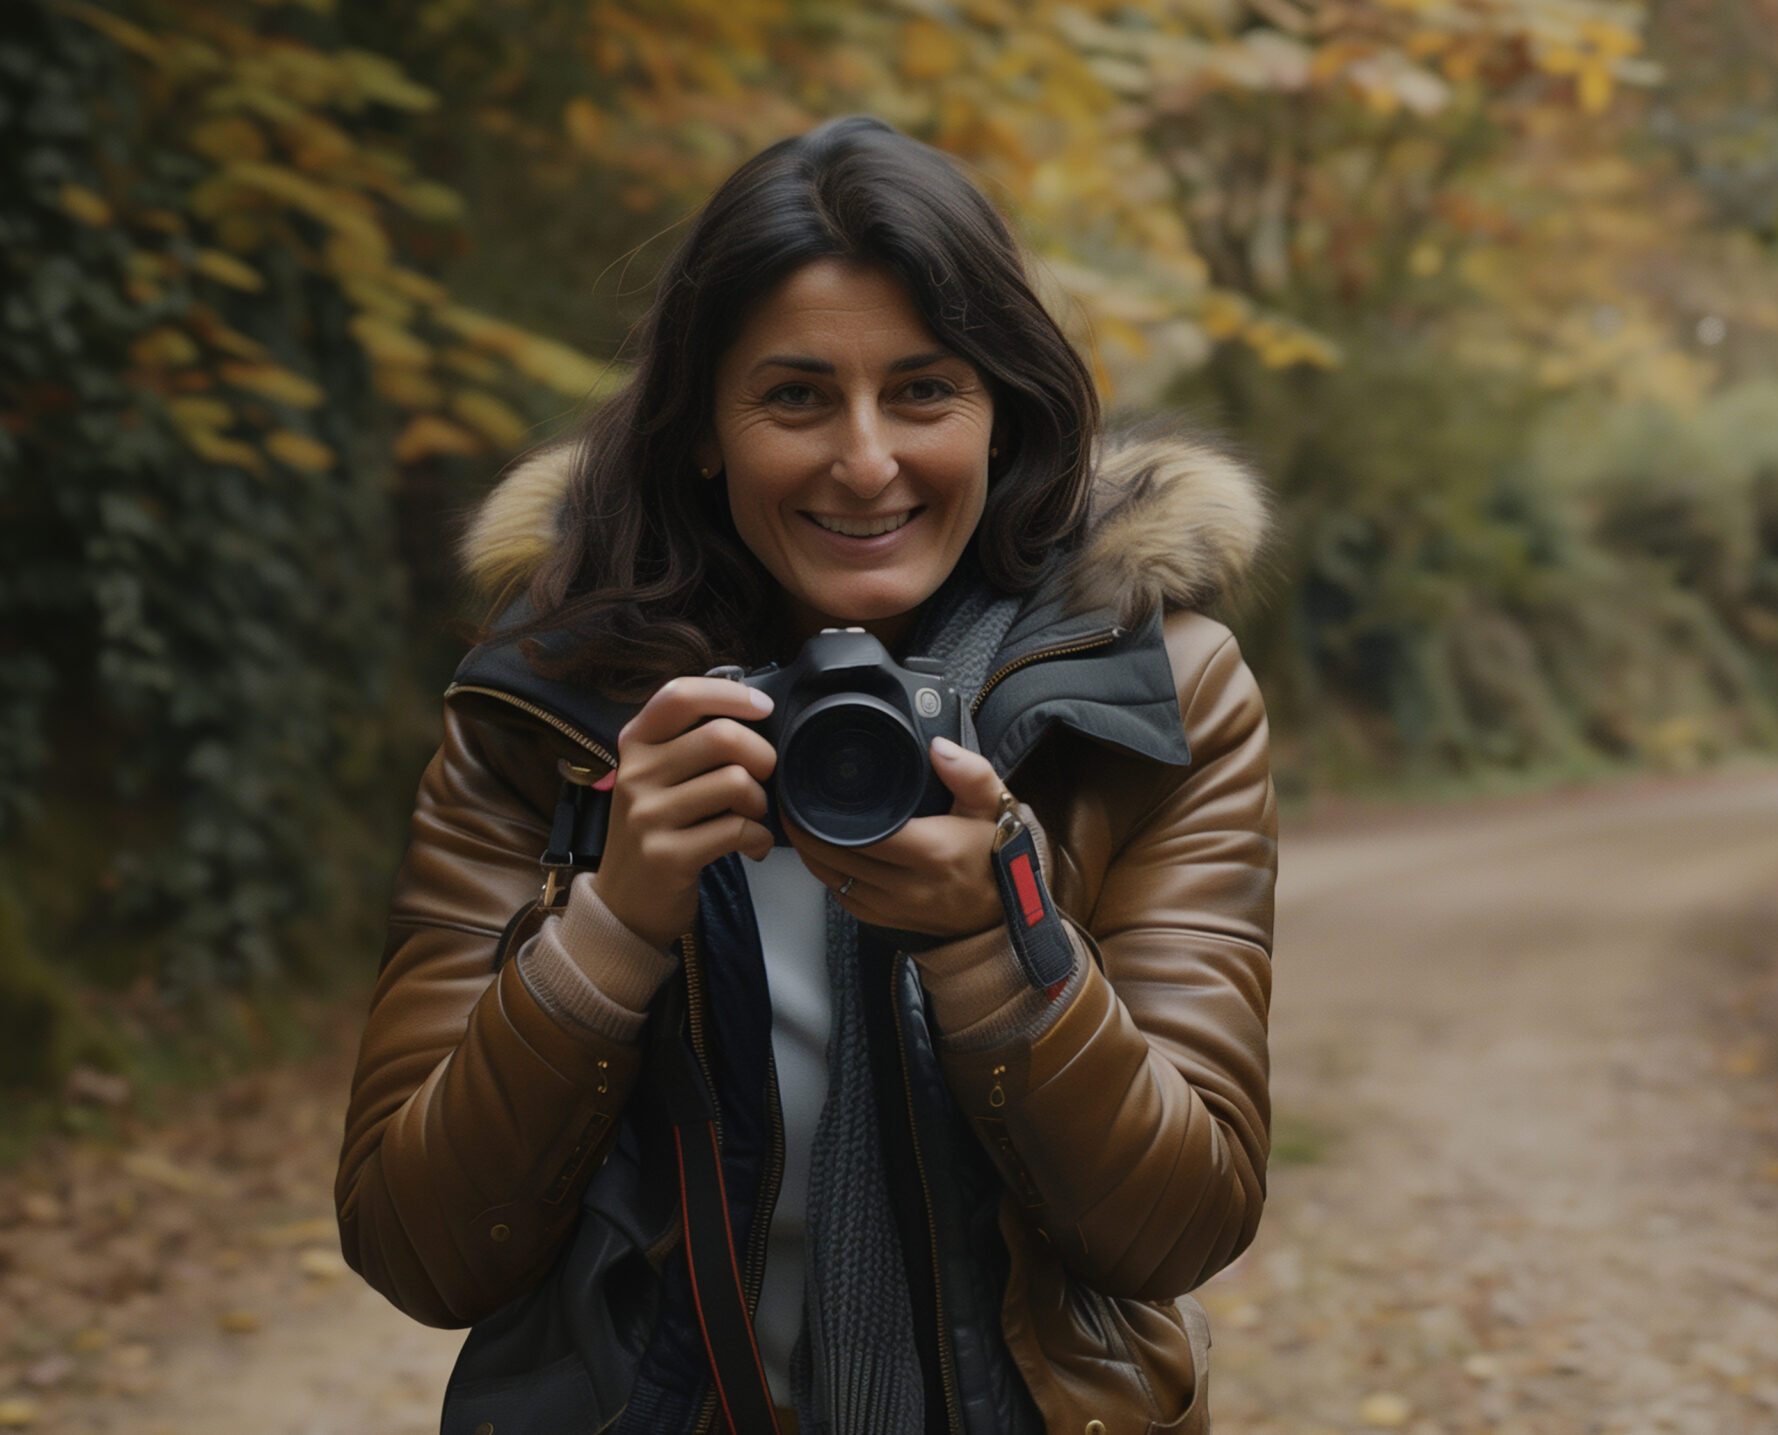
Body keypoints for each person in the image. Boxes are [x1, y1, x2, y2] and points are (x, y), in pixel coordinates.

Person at [336, 115, 1277, 1435]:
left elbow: (1179, 1226)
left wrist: (995, 947)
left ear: (1000, 412)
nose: (867, 458)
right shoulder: (546, 706)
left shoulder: (1153, 698)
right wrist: (609, 930)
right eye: (795, 396)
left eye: (923, 390)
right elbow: (419, 1248)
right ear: (707, 428)